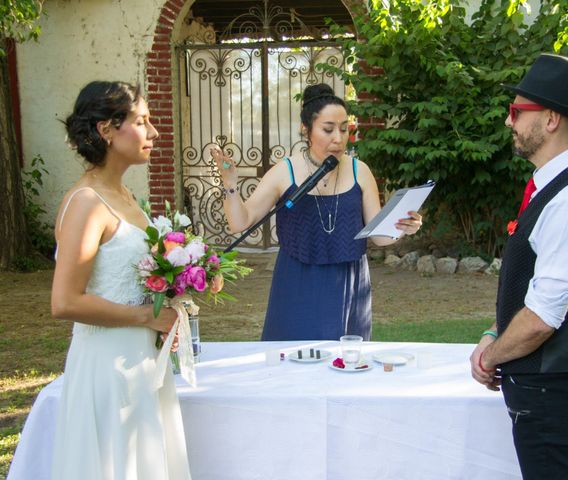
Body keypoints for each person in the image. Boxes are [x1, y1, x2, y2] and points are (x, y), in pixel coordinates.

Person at [470, 54, 568, 480]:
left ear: (550, 119)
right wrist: (494, 333)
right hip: (544, 384)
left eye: (517, 111)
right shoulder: (554, 185)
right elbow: (533, 289)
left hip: (552, 387)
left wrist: (491, 358)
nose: (508, 122)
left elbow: (541, 318)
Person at [50, 81, 191, 479]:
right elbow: (64, 302)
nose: (154, 132)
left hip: (141, 361)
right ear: (106, 130)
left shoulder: (125, 196)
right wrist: (146, 317)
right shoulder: (86, 203)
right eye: (142, 122)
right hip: (108, 368)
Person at [211, 83, 422, 341]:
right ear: (305, 129)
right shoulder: (283, 171)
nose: (338, 138)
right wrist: (230, 183)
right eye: (328, 129)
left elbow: (378, 237)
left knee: (345, 367)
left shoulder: (361, 171)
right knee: (293, 364)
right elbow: (240, 222)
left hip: (348, 282)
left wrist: (403, 227)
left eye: (344, 129)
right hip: (297, 281)